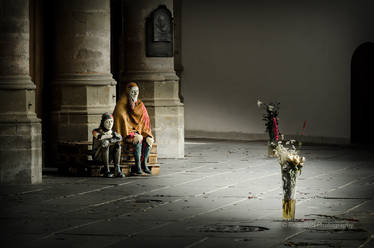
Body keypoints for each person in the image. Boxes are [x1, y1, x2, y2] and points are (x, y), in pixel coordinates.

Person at [113, 82, 154, 175]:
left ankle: (144, 164)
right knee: (138, 138)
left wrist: (145, 132)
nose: (135, 94)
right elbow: (121, 120)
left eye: (137, 91)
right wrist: (132, 132)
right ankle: (137, 166)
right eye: (133, 91)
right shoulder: (121, 103)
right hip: (128, 132)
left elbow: (145, 120)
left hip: (139, 130)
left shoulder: (140, 104)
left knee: (150, 140)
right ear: (128, 92)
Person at [92, 113, 124, 178]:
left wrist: (110, 140)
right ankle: (106, 170)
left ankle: (117, 169)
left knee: (117, 145)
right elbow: (99, 137)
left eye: (111, 121)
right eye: (107, 122)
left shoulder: (113, 132)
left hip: (109, 157)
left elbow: (120, 137)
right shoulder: (96, 131)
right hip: (98, 156)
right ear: (103, 123)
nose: (110, 124)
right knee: (105, 143)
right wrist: (110, 137)